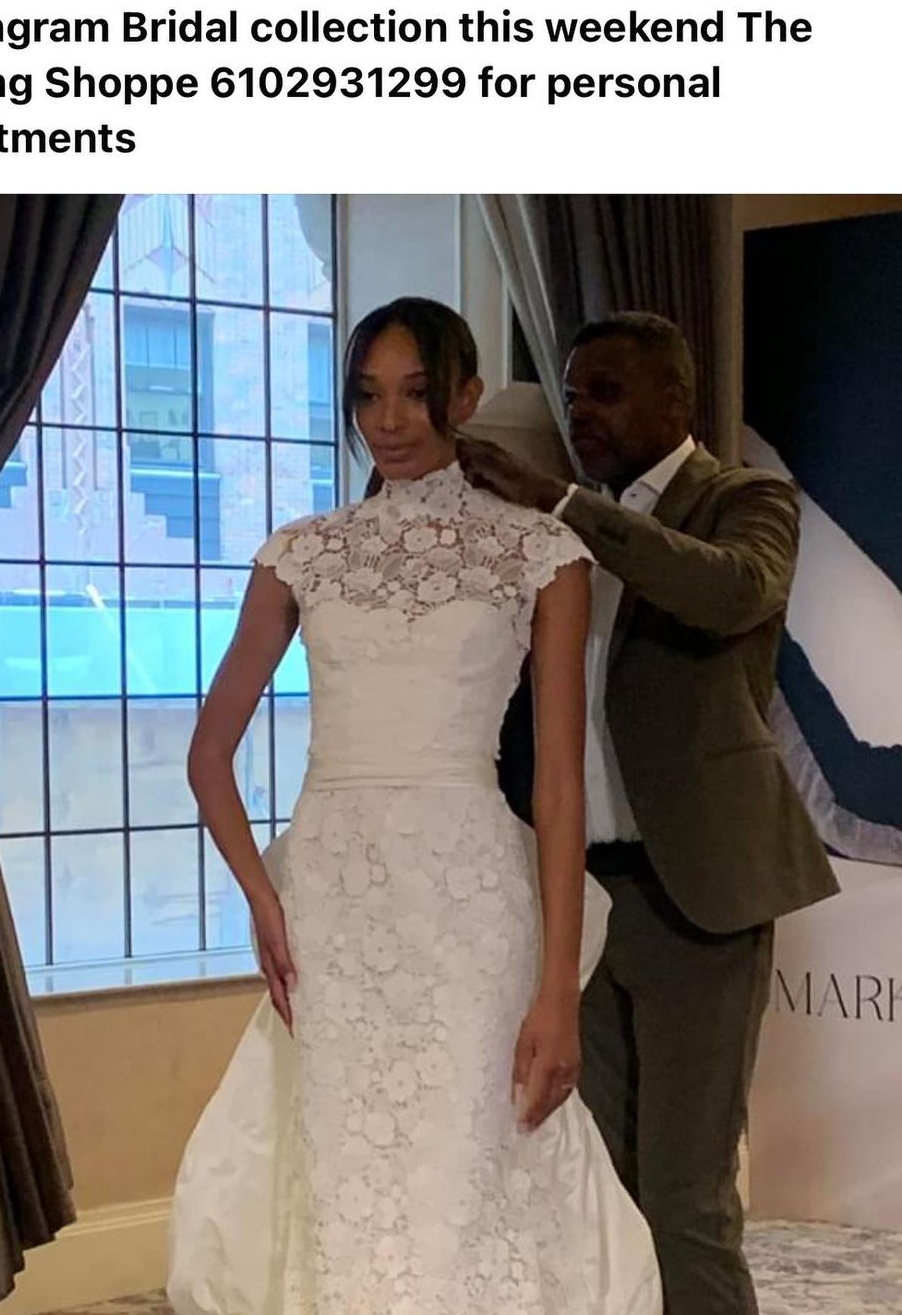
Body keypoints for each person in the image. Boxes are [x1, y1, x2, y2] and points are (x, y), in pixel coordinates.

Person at [167, 298, 663, 1315]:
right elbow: (209, 755)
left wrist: (558, 989)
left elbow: (558, 786)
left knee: (469, 1167)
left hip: (472, 904)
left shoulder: (542, 553)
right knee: (344, 1164)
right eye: (366, 396)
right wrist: (265, 900)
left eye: (414, 393)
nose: (387, 421)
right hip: (333, 906)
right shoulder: (300, 553)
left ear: (465, 397)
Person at [461, 312, 839, 1315]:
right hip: (574, 900)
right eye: (572, 395)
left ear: (676, 399)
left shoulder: (744, 499)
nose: (581, 413)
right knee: (601, 1196)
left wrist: (567, 504)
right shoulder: (548, 530)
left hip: (696, 898)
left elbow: (731, 594)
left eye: (606, 392)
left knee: (685, 1200)